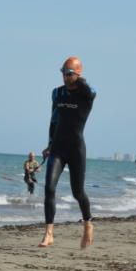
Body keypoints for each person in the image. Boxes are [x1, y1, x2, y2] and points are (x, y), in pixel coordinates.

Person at [39, 56, 96, 248]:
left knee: (78, 192)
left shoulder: (87, 95)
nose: (64, 76)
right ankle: (49, 234)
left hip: (76, 149)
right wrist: (49, 144)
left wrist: (79, 81)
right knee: (49, 188)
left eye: (69, 73)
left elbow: (91, 91)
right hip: (57, 148)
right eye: (63, 72)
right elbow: (53, 120)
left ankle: (88, 224)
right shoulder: (57, 93)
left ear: (78, 73)